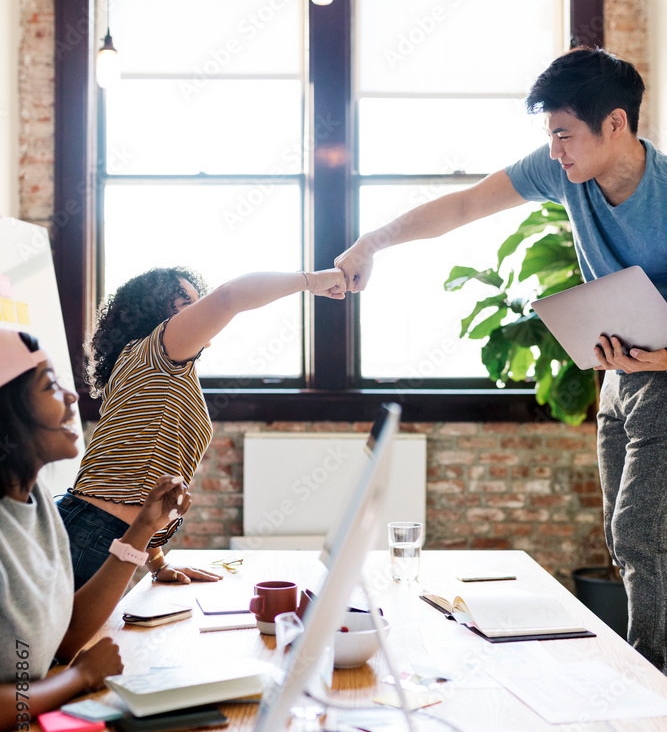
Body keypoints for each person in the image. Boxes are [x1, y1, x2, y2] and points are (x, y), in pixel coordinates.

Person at [332, 46, 667, 674]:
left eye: (565, 134)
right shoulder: (562, 170)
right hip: (620, 379)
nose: (557, 150)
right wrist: (369, 242)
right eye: (552, 136)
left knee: (644, 536)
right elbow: (464, 207)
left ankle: (654, 685)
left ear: (616, 124)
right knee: (626, 540)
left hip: (664, 380)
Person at [58, 264, 345, 589]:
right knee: (71, 641)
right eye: (187, 304)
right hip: (92, 533)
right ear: (157, 314)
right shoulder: (155, 353)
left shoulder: (152, 365)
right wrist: (315, 281)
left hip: (100, 533)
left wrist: (157, 562)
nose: (200, 311)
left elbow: (141, 476)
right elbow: (230, 297)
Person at [0, 329, 191, 732]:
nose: (71, 398)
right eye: (50, 386)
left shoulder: (37, 502)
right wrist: (78, 678)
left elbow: (62, 637)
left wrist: (143, 529)